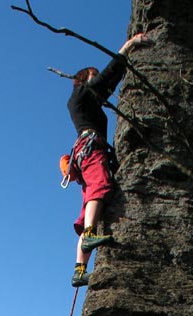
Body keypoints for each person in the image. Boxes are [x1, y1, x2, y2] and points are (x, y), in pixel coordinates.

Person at [67, 32, 152, 288]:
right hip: (91, 149)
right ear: (83, 80)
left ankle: (79, 270)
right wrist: (129, 46)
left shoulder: (85, 104)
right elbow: (108, 77)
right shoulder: (81, 96)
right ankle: (92, 235)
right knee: (99, 186)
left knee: (88, 209)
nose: (96, 81)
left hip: (84, 152)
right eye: (91, 76)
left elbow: (106, 82)